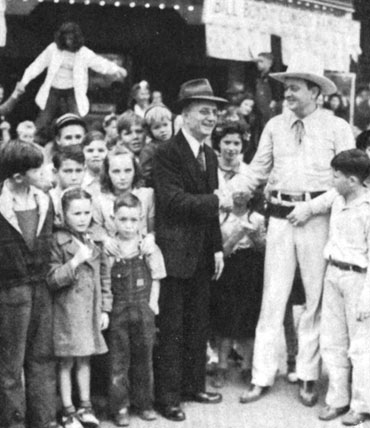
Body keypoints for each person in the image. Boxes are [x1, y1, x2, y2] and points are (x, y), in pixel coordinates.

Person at [230, 54, 355, 405]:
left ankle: (307, 376)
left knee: (315, 299)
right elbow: (257, 169)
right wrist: (233, 191)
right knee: (273, 296)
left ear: (315, 92)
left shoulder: (336, 127)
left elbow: (349, 179)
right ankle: (261, 375)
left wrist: (313, 207)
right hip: (281, 217)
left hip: (317, 217)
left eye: (295, 88)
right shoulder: (274, 125)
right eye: (287, 87)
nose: (288, 93)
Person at [153, 78, 229, 421]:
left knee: (198, 323)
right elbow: (172, 202)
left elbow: (210, 211)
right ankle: (168, 397)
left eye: (214, 112)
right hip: (174, 253)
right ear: (183, 115)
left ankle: (193, 385)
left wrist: (217, 249)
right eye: (203, 111)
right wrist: (217, 200)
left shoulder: (209, 154)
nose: (211, 118)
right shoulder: (166, 153)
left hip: (201, 253)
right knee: (172, 326)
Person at [317, 149, 370, 425]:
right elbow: (316, 205)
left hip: (359, 279)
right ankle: (337, 399)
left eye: (337, 175)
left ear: (354, 180)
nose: (332, 178)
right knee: (332, 342)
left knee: (360, 347)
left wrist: (369, 296)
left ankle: (362, 405)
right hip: (333, 273)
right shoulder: (337, 199)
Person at [0, 141, 57, 428]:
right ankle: (14, 422)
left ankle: (44, 420)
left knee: (42, 358)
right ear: (18, 176)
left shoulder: (44, 200)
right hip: (10, 292)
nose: (45, 170)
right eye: (38, 168)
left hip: (41, 289)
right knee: (10, 365)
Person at [47, 187, 111, 428]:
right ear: (64, 215)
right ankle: (67, 410)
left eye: (86, 212)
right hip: (66, 313)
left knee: (85, 359)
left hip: (90, 311)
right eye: (76, 213)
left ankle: (85, 407)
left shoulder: (95, 239)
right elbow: (51, 279)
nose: (83, 218)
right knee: (66, 361)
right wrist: (75, 261)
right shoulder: (58, 241)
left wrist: (105, 308)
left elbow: (104, 275)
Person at [107, 193, 166, 426]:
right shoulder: (110, 247)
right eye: (123, 220)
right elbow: (105, 278)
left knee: (144, 359)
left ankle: (144, 403)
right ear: (114, 219)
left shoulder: (147, 246)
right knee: (118, 360)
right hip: (118, 310)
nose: (128, 225)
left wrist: (153, 304)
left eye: (133, 220)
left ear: (141, 219)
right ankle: (119, 406)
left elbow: (157, 276)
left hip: (143, 309)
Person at [19, 22, 126, 134]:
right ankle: (31, 141)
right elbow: (37, 65)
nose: (68, 41)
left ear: (77, 38)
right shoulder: (53, 49)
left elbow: (99, 63)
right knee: (43, 120)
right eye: (66, 38)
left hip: (73, 91)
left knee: (76, 120)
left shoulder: (83, 53)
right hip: (53, 89)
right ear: (61, 37)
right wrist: (23, 82)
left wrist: (117, 69)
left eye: (71, 38)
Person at [210, 190, 266, 388]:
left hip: (250, 270)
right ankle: (222, 366)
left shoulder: (258, 218)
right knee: (225, 318)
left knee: (248, 318)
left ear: (251, 196)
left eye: (245, 193)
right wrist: (237, 236)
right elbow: (220, 251)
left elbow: (263, 249)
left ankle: (247, 366)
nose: (240, 197)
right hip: (228, 269)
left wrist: (254, 237)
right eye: (236, 192)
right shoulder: (222, 218)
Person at [93, 146, 154, 243]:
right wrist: (105, 239)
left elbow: (154, 229)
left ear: (135, 171)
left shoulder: (147, 195)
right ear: (107, 173)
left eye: (128, 170)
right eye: (116, 171)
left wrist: (151, 238)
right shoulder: (100, 200)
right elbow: (94, 228)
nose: (122, 177)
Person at [50, 146, 86, 227]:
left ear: (85, 170)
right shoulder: (48, 200)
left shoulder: (89, 197)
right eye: (68, 171)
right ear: (55, 172)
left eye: (78, 171)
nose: (74, 177)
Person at [139, 103, 174, 187]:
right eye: (157, 127)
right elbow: (145, 174)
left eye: (165, 125)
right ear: (150, 130)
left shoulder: (178, 144)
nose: (162, 130)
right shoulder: (149, 150)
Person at [81, 130, 108, 199]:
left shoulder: (113, 179)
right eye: (90, 151)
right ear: (82, 153)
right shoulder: (79, 179)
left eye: (101, 150)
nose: (95, 155)